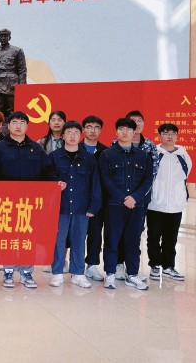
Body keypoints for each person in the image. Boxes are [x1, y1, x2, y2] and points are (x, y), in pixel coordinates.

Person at [0, 111, 56, 289]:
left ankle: (26, 272)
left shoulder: (36, 148)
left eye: (22, 123)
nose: (18, 126)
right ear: (8, 126)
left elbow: (48, 173)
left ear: (27, 126)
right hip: (6, 203)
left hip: (30, 204)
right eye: (15, 122)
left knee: (27, 238)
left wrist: (55, 185)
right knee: (8, 237)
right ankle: (8, 270)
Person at [98, 118, 153, 291]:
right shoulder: (107, 155)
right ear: (116, 132)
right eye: (121, 129)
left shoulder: (143, 156)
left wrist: (134, 197)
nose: (125, 132)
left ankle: (133, 275)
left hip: (136, 206)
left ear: (134, 132)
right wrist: (123, 198)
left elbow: (148, 179)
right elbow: (105, 179)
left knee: (133, 242)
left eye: (129, 129)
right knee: (111, 240)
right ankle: (110, 274)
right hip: (114, 205)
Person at [47, 121, 101, 289]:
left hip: (81, 207)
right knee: (58, 241)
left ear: (80, 135)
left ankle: (78, 274)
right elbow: (46, 179)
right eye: (69, 132)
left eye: (76, 133)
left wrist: (94, 206)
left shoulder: (89, 159)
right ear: (62, 136)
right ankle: (57, 273)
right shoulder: (54, 157)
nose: (72, 136)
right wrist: (55, 184)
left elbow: (95, 183)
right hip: (60, 208)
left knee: (79, 240)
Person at [147, 123, 192, 282]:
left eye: (173, 133)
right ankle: (154, 265)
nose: (170, 136)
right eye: (166, 133)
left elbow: (185, 175)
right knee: (153, 237)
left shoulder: (183, 155)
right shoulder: (154, 154)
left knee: (171, 238)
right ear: (160, 135)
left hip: (175, 204)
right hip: (156, 204)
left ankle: (168, 266)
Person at [81, 115, 108, 282]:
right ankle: (74, 264)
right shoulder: (74, 148)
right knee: (75, 234)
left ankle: (91, 265)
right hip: (77, 199)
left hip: (97, 200)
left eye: (97, 128)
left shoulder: (106, 152)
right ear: (83, 129)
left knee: (95, 234)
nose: (93, 131)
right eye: (89, 127)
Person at [0, 28, 27, 119]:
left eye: (5, 36)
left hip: (11, 84)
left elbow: (22, 70)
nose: (3, 38)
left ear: (9, 37)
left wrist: (22, 88)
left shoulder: (17, 51)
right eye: (1, 36)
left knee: (12, 109)